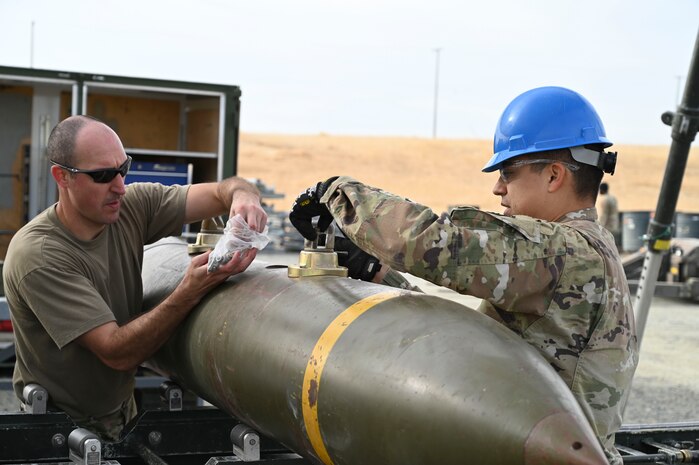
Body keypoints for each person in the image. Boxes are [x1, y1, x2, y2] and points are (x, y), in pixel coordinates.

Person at [289, 86, 638, 465]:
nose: (498, 188)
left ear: (554, 175)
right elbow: (468, 342)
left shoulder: (564, 252)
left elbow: (431, 244)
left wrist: (335, 192)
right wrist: (377, 273)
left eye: (508, 172)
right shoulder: (581, 253)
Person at [3, 115, 267, 441]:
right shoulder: (40, 256)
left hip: (121, 411)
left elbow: (221, 191)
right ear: (63, 177)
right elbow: (117, 352)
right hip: (61, 431)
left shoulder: (130, 205)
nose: (119, 186)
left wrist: (244, 197)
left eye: (122, 168)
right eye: (102, 175)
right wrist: (188, 291)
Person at [597, 182, 621, 246]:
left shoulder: (604, 200)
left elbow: (603, 215)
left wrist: (600, 227)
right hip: (614, 225)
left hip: (607, 227)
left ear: (601, 190)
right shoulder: (613, 198)